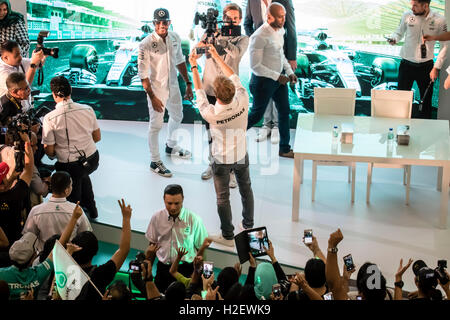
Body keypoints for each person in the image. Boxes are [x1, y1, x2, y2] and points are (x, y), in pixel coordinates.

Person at [190, 44, 254, 246]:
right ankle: (249, 226)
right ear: (233, 91)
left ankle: (228, 236)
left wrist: (193, 65)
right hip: (241, 154)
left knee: (223, 199)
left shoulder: (212, 114)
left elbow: (199, 90)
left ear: (216, 96)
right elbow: (233, 74)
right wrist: (217, 56)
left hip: (221, 160)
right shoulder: (243, 99)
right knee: (246, 189)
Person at [138, 8, 193, 178]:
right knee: (156, 125)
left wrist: (188, 83)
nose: (162, 25)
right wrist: (153, 97)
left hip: (174, 86)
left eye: (165, 22)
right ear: (154, 23)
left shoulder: (175, 37)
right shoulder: (145, 44)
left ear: (169, 22)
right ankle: (155, 161)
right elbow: (143, 76)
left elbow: (180, 61)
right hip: (157, 90)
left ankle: (171, 146)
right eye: (158, 22)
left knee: (178, 115)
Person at [199, 3, 249, 187]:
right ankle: (213, 165)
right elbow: (197, 52)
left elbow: (235, 55)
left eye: (235, 19)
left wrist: (221, 40)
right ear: (223, 18)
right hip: (210, 89)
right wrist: (205, 40)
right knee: (212, 133)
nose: (231, 21)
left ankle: (233, 171)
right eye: (228, 18)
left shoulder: (243, 39)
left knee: (233, 134)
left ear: (240, 19)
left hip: (229, 92)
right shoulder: (212, 32)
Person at [42, 76, 101, 219]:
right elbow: (97, 137)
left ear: (54, 94)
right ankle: (92, 209)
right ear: (71, 90)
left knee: (73, 190)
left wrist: (57, 150)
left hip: (70, 166)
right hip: (92, 160)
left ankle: (73, 219)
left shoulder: (50, 118)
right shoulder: (88, 109)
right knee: (82, 175)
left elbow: (49, 151)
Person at [0, 201, 84, 300]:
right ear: (32, 259)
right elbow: (57, 248)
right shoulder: (37, 275)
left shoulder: (2, 274)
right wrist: (74, 218)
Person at [247, 3, 297, 158]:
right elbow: (255, 66)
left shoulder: (280, 31)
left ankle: (284, 148)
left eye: (284, 15)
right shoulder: (258, 36)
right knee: (256, 115)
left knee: (284, 111)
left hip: (278, 80)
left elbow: (280, 56)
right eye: (280, 16)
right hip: (262, 82)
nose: (283, 19)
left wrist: (289, 72)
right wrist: (278, 76)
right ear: (269, 17)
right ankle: (230, 138)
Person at [388, 0, 447, 119]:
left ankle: (425, 132)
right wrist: (394, 39)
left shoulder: (440, 20)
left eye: (415, 5)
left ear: (425, 5)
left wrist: (436, 67)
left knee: (426, 103)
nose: (412, 8)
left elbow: (446, 44)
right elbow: (399, 32)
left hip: (426, 67)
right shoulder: (407, 15)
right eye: (412, 5)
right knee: (401, 100)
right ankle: (400, 128)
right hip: (406, 65)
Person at [145, 184, 208, 293]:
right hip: (163, 269)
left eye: (177, 203)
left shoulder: (194, 219)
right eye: (169, 203)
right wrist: (147, 268)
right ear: (164, 199)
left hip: (186, 270)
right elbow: (152, 244)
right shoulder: (157, 217)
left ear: (183, 199)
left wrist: (203, 274)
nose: (173, 207)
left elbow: (201, 249)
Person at [71, 199, 132, 300]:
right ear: (95, 252)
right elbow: (124, 250)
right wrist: (126, 218)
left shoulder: (64, 270)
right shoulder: (99, 275)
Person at [22, 171, 92, 252]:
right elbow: (86, 235)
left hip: (42, 257)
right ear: (66, 190)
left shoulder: (36, 210)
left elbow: (28, 236)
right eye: (71, 185)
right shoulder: (76, 210)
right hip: (67, 256)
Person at [0, 131, 33, 243]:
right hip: (14, 246)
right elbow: (29, 169)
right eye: (5, 176)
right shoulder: (15, 195)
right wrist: (27, 143)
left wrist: (11, 179)